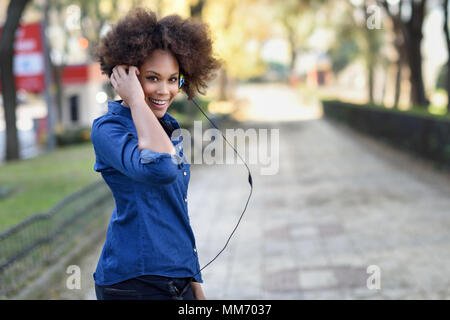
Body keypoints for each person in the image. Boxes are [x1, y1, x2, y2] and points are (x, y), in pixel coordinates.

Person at [90, 7, 221, 300]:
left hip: (178, 280)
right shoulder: (108, 129)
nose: (165, 90)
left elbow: (176, 211)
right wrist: (135, 99)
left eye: (173, 79)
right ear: (127, 75)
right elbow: (161, 169)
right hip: (133, 284)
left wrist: (195, 285)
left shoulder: (167, 128)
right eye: (152, 78)